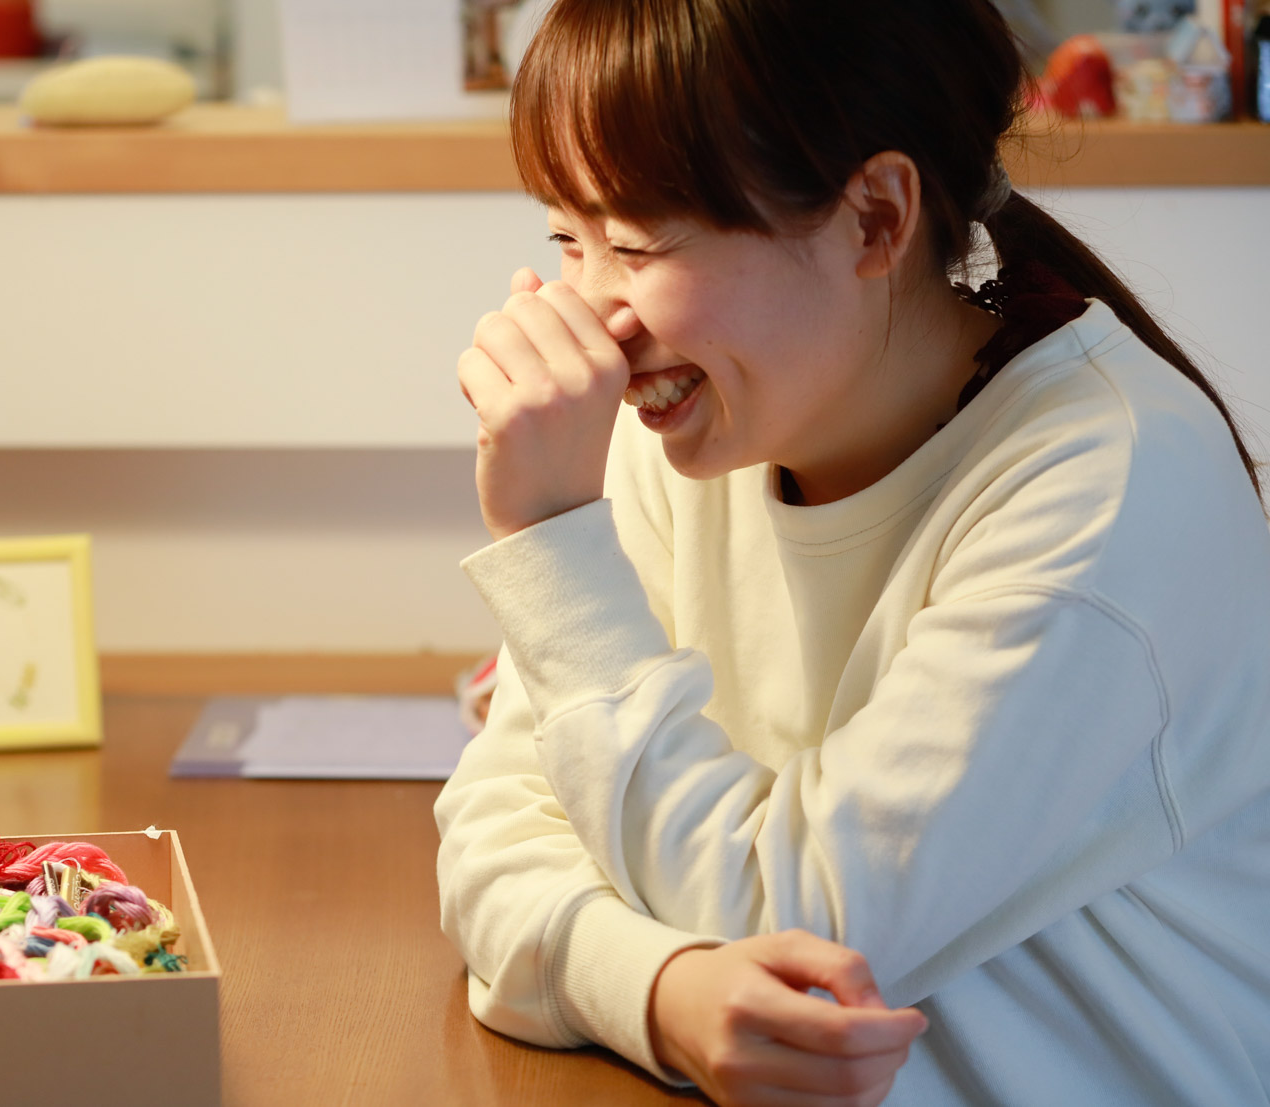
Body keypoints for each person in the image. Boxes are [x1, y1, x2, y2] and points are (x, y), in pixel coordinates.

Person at [434, 2, 1270, 1104]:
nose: (590, 319)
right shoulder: (692, 424)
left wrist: (552, 545)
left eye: (632, 245)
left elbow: (804, 928)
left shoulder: (1112, 483)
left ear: (874, 217)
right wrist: (662, 991)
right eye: (565, 241)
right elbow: (493, 837)